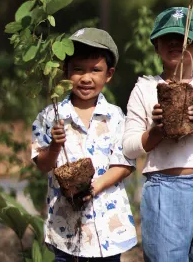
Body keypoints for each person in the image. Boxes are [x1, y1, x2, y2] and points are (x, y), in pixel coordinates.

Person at [123, 7, 193, 262]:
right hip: (163, 190)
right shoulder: (145, 89)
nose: (175, 43)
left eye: (183, 37)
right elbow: (129, 147)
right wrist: (158, 131)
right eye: (167, 37)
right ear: (156, 46)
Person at [31, 28, 137, 262]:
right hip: (65, 230)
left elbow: (125, 164)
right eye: (78, 69)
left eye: (95, 70)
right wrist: (55, 147)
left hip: (107, 232)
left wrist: (95, 187)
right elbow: (42, 164)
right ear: (65, 72)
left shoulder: (116, 116)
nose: (86, 78)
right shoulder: (50, 116)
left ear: (109, 74)